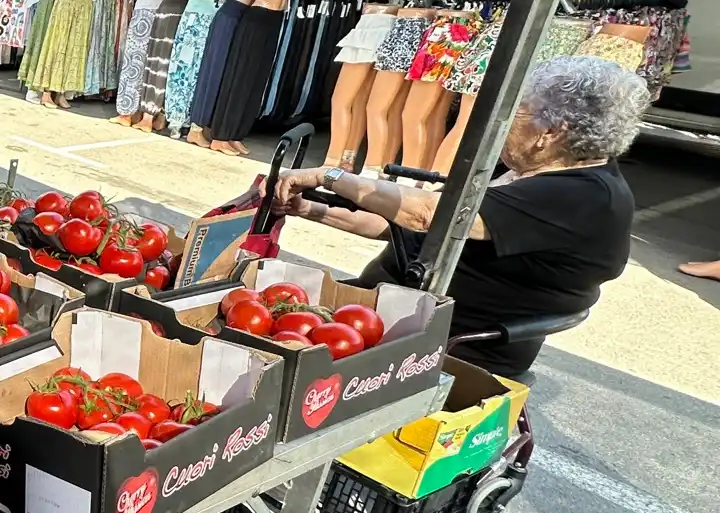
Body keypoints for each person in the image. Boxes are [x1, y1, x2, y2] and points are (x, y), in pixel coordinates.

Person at [273, 56, 645, 377]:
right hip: (390, 312)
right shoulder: (531, 170)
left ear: (550, 131)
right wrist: (310, 208)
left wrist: (330, 175)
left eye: (516, 111)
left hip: (451, 343)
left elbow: (426, 215)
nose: (503, 122)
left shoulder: (583, 196)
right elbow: (399, 225)